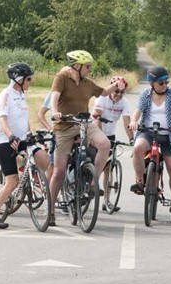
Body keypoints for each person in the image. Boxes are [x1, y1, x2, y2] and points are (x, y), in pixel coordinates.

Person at [48, 50, 127, 226]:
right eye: (88, 66)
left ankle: (93, 183)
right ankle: (50, 209)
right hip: (64, 126)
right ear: (77, 66)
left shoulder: (87, 83)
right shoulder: (62, 78)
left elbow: (104, 92)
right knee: (59, 171)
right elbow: (54, 97)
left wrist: (116, 85)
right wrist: (55, 113)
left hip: (84, 124)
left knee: (105, 144)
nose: (90, 69)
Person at [0, 63, 50, 229]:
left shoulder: (21, 95)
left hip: (21, 139)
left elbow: (23, 118)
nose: (31, 81)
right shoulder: (6, 94)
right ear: (19, 79)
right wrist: (10, 135)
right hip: (4, 140)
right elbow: (2, 119)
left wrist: (29, 133)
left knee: (43, 157)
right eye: (28, 79)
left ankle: (33, 177)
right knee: (11, 181)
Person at [128, 66, 171, 223]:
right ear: (151, 83)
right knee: (137, 148)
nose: (164, 85)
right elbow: (137, 111)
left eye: (166, 82)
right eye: (161, 83)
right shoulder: (145, 95)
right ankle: (140, 181)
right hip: (148, 131)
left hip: (169, 134)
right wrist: (134, 122)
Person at [92, 75, 134, 213]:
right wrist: (100, 139)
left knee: (108, 169)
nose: (118, 94)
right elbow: (97, 118)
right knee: (93, 163)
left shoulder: (124, 103)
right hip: (95, 134)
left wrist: (132, 139)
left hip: (110, 134)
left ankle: (106, 201)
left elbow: (127, 122)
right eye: (116, 91)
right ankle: (88, 187)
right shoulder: (101, 98)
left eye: (121, 92)